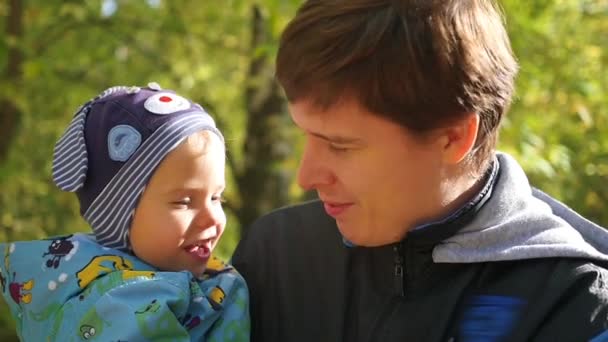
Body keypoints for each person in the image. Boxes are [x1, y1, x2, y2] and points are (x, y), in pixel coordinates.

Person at [231, 1, 608, 341]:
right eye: (305, 135)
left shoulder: (572, 302)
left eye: (341, 146)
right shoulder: (274, 254)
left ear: (454, 137)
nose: (307, 176)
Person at [0, 83, 249, 341]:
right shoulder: (120, 308)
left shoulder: (187, 277)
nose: (212, 218)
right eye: (184, 202)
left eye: (217, 197)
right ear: (118, 214)